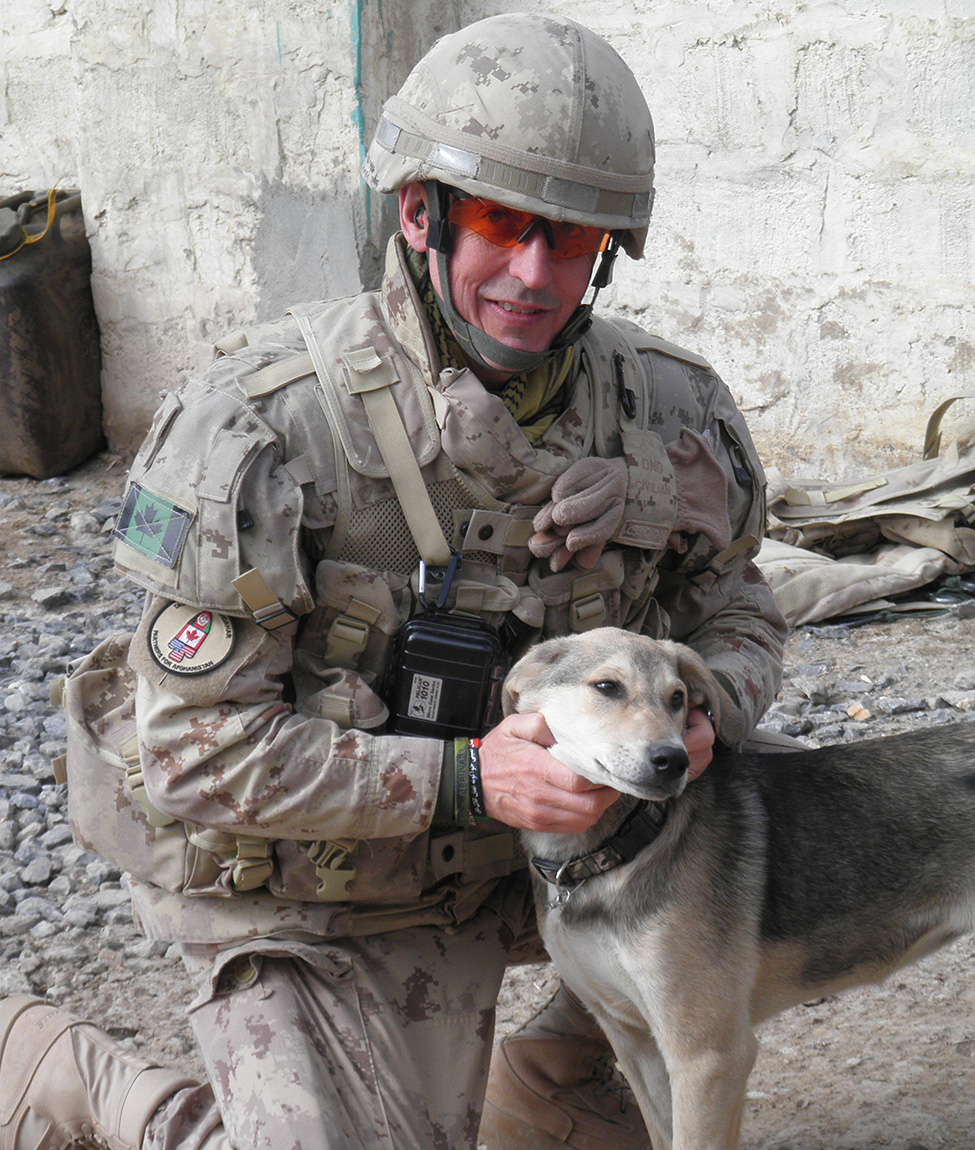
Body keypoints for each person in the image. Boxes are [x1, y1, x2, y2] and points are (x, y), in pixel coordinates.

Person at [0, 12, 787, 1150]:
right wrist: (471, 779)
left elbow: (744, 609)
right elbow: (188, 751)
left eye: (571, 242)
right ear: (422, 213)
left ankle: (566, 1074)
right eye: (504, 227)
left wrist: (712, 708)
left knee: (783, 855)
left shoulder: (665, 408)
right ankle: (88, 1084)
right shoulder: (268, 428)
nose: (535, 274)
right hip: (322, 886)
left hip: (557, 858)